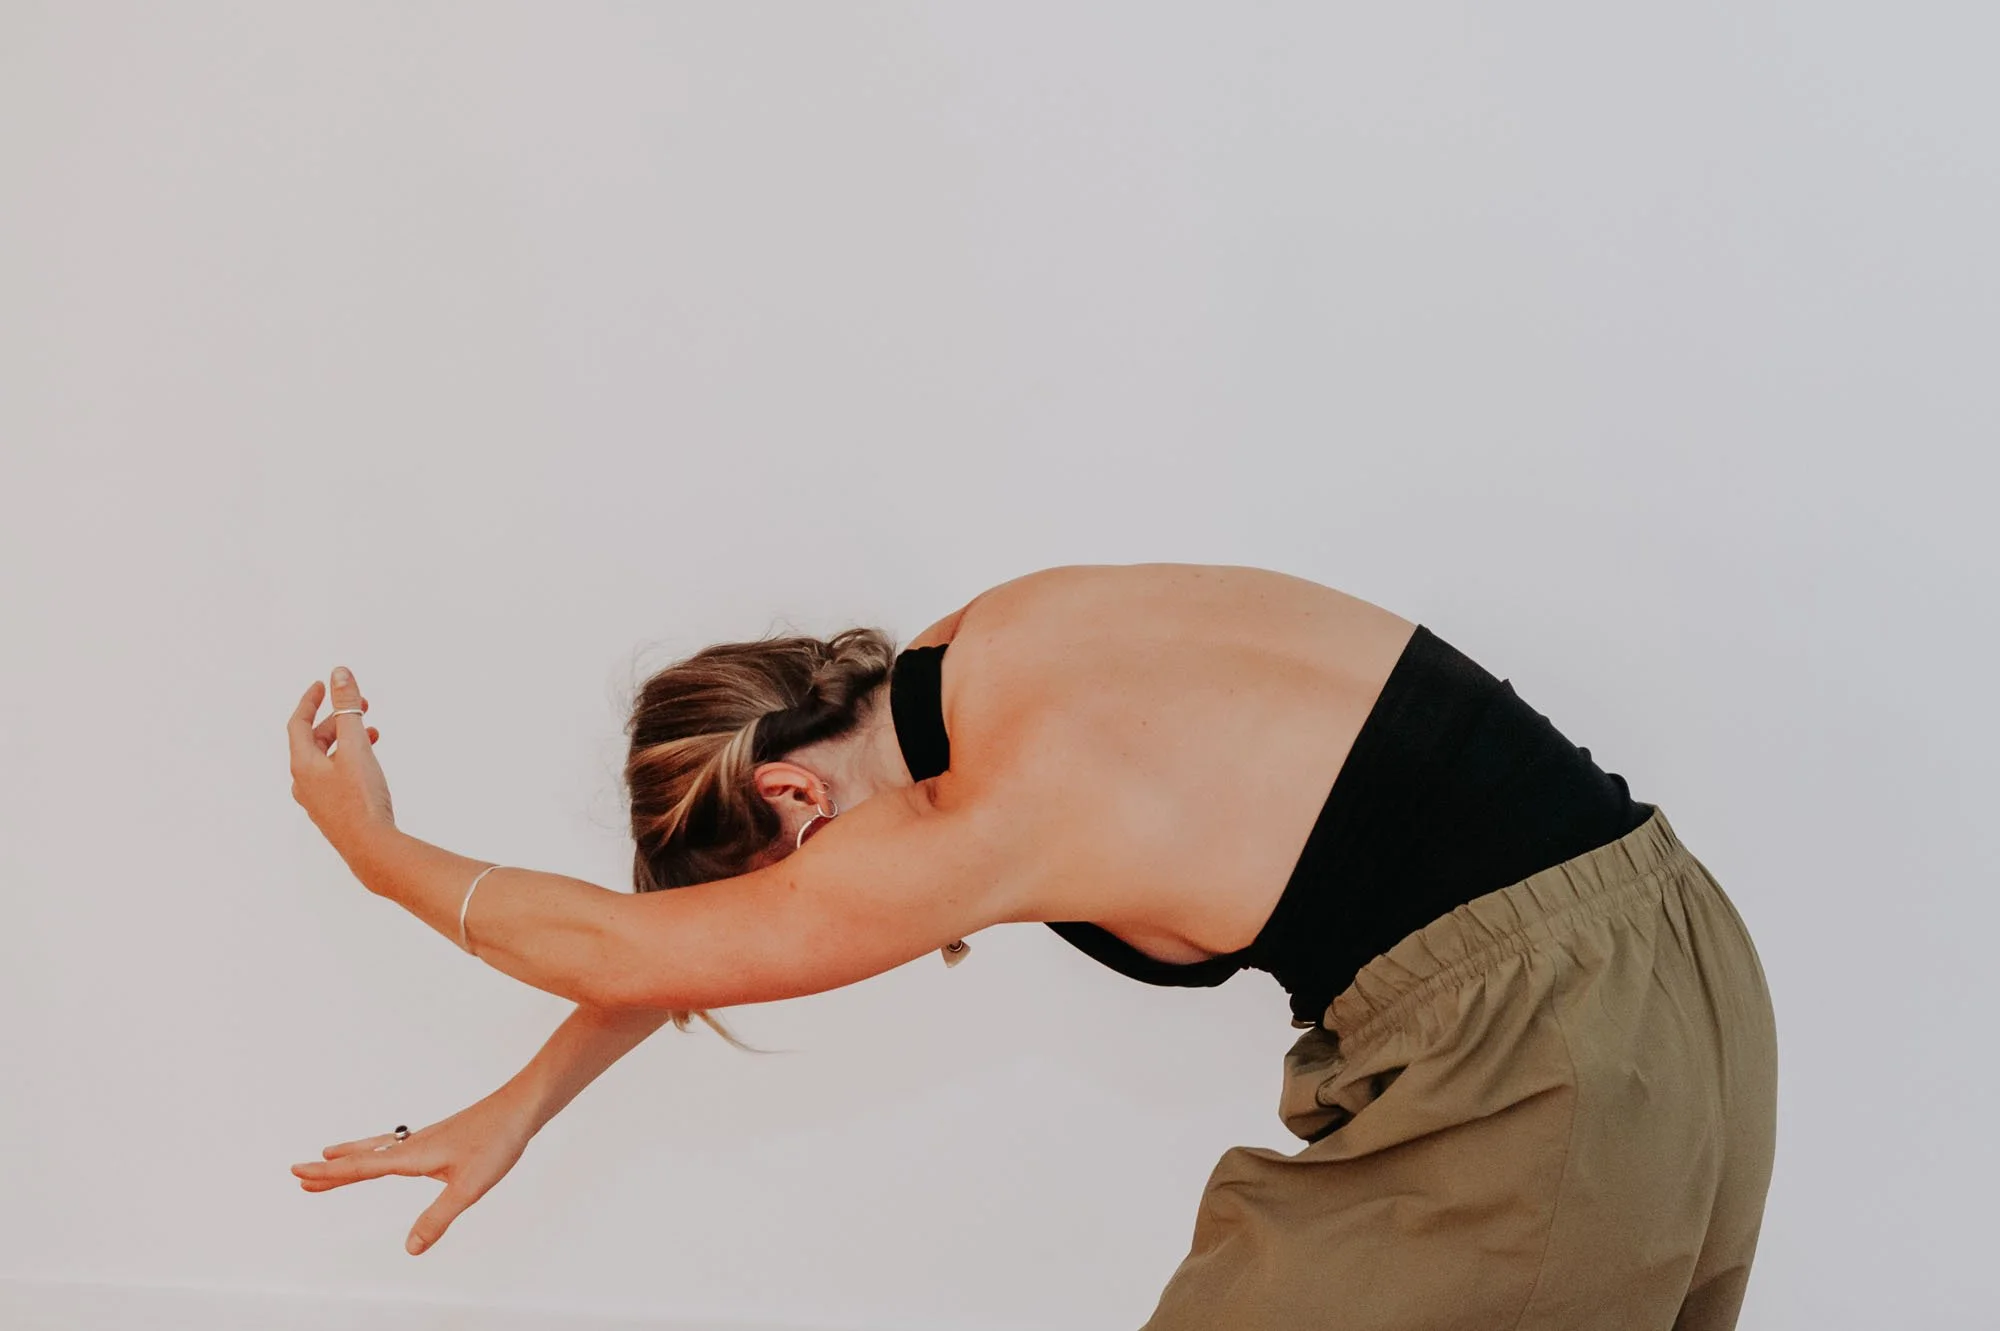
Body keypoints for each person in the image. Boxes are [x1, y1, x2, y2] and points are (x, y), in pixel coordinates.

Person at [286, 562, 1778, 1330]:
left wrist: (376, 854)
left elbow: (629, 944)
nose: (802, 934)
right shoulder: (979, 655)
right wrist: (519, 1107)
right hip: (1676, 968)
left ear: (794, 796)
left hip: (1543, 1071)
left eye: (777, 887)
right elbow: (696, 948)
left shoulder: (991, 817)